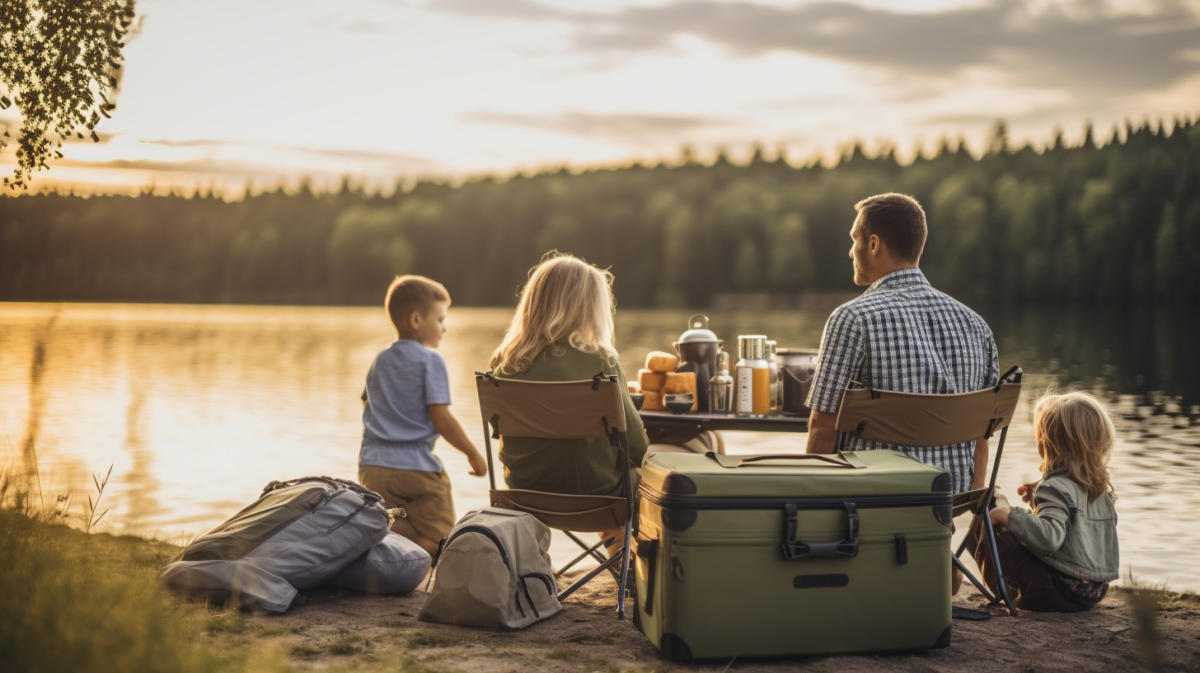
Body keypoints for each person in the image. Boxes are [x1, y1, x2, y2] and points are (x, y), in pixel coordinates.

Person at [805, 192, 999, 494]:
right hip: (945, 501)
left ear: (873, 244)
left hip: (871, 503)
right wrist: (975, 508)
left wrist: (810, 506)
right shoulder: (976, 325)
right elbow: (981, 435)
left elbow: (821, 428)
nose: (850, 252)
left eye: (854, 240)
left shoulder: (853, 319)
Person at [489, 252, 649, 554]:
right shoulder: (602, 362)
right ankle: (631, 566)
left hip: (523, 496)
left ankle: (616, 557)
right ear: (591, 309)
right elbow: (639, 448)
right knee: (663, 479)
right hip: (600, 499)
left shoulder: (504, 368)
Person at [358, 274, 488, 556]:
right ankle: (410, 546)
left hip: (372, 466)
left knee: (390, 518)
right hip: (416, 468)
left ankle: (379, 526)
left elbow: (368, 405)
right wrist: (472, 453)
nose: (444, 328)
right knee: (441, 540)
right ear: (417, 321)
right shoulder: (431, 361)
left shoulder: (379, 360)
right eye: (440, 320)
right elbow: (441, 418)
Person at [971, 392, 1119, 611]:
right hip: (1093, 591)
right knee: (1011, 522)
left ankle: (1006, 592)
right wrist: (1036, 503)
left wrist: (1009, 515)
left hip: (1057, 590)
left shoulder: (1054, 488)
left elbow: (1050, 539)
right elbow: (1076, 536)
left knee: (986, 520)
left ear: (1048, 445)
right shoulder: (1100, 489)